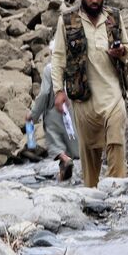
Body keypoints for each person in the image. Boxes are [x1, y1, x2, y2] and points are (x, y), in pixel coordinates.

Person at [50, 0, 128, 188]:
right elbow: (58, 58)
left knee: (116, 141)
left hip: (113, 94)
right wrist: (58, 91)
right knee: (89, 152)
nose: (95, 0)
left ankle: (116, 190)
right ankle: (91, 193)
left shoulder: (114, 18)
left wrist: (121, 52)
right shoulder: (67, 21)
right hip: (84, 98)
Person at [27, 39, 80, 181]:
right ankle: (65, 173)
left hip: (54, 112)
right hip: (72, 113)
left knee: (55, 144)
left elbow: (44, 93)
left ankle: (64, 160)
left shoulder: (50, 69)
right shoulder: (74, 68)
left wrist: (33, 114)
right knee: (70, 145)